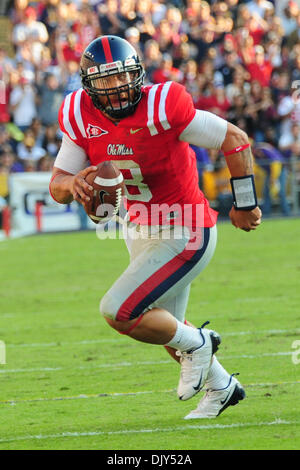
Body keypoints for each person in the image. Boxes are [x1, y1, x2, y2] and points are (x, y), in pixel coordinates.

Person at [49, 35, 262, 420]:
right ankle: (221, 387)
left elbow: (235, 138)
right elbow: (58, 182)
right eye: (104, 81)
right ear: (87, 86)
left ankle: (200, 343)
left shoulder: (163, 106)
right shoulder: (80, 115)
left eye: (122, 78)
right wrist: (73, 185)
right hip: (138, 226)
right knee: (165, 326)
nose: (115, 89)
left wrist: (245, 203)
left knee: (120, 310)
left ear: (137, 75)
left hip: (185, 227)